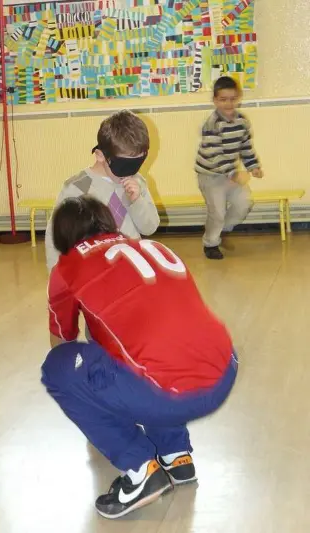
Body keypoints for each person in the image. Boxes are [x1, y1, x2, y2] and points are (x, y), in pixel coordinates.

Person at [41, 196, 238, 520]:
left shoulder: (67, 267)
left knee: (59, 368)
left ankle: (140, 469)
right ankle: (176, 455)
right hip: (223, 371)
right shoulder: (154, 248)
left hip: (167, 395)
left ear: (62, 238)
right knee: (151, 348)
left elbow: (61, 341)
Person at [44, 110, 160, 271]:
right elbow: (55, 238)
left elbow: (150, 228)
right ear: (100, 155)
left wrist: (137, 201)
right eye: (124, 166)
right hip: (93, 271)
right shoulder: (78, 187)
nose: (129, 172)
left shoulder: (137, 182)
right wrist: (57, 277)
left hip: (132, 268)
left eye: (136, 164)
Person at [195, 76, 263, 260]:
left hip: (229, 174)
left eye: (232, 99)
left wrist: (253, 166)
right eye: (223, 100)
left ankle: (220, 230)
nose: (228, 104)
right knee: (217, 212)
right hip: (209, 176)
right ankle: (210, 244)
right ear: (215, 100)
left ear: (239, 97)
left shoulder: (242, 121)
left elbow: (245, 147)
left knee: (244, 203)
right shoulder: (212, 124)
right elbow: (216, 155)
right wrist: (233, 174)